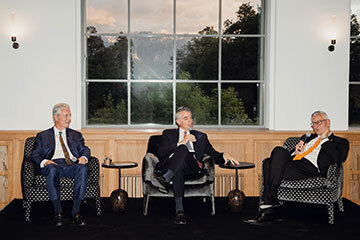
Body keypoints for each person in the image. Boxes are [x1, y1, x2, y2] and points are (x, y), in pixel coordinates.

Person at [245, 110, 349, 224]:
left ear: (328, 122)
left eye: (319, 122)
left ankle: (268, 206)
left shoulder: (340, 142)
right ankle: (271, 200)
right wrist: (295, 152)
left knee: (269, 164)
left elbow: (339, 158)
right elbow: (283, 158)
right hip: (295, 164)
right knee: (275, 155)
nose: (316, 126)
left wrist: (324, 140)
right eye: (313, 123)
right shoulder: (307, 137)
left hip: (310, 169)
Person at [155, 106, 239, 224]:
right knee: (179, 164)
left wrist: (224, 154)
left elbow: (212, 154)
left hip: (192, 166)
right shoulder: (168, 134)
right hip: (171, 164)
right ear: (178, 122)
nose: (190, 120)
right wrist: (181, 142)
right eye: (186, 118)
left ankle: (166, 178)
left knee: (183, 151)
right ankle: (180, 211)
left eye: (191, 118)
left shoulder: (200, 136)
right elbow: (161, 153)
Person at [31, 103, 90, 227]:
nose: (69, 119)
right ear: (56, 117)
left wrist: (83, 158)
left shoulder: (76, 135)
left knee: (83, 168)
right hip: (52, 164)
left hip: (70, 164)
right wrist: (44, 162)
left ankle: (75, 211)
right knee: (52, 170)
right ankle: (58, 211)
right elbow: (35, 154)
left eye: (70, 116)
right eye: (66, 116)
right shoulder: (42, 136)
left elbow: (85, 149)